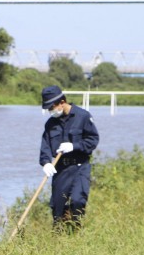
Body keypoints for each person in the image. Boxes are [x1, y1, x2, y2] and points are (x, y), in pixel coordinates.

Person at [39, 85, 100, 227]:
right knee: (57, 208)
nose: (50, 111)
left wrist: (75, 146)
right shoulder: (50, 123)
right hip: (60, 169)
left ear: (62, 102)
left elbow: (93, 140)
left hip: (80, 167)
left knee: (78, 201)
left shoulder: (83, 116)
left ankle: (75, 232)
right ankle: (59, 237)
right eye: (48, 109)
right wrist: (46, 162)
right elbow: (45, 146)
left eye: (52, 107)